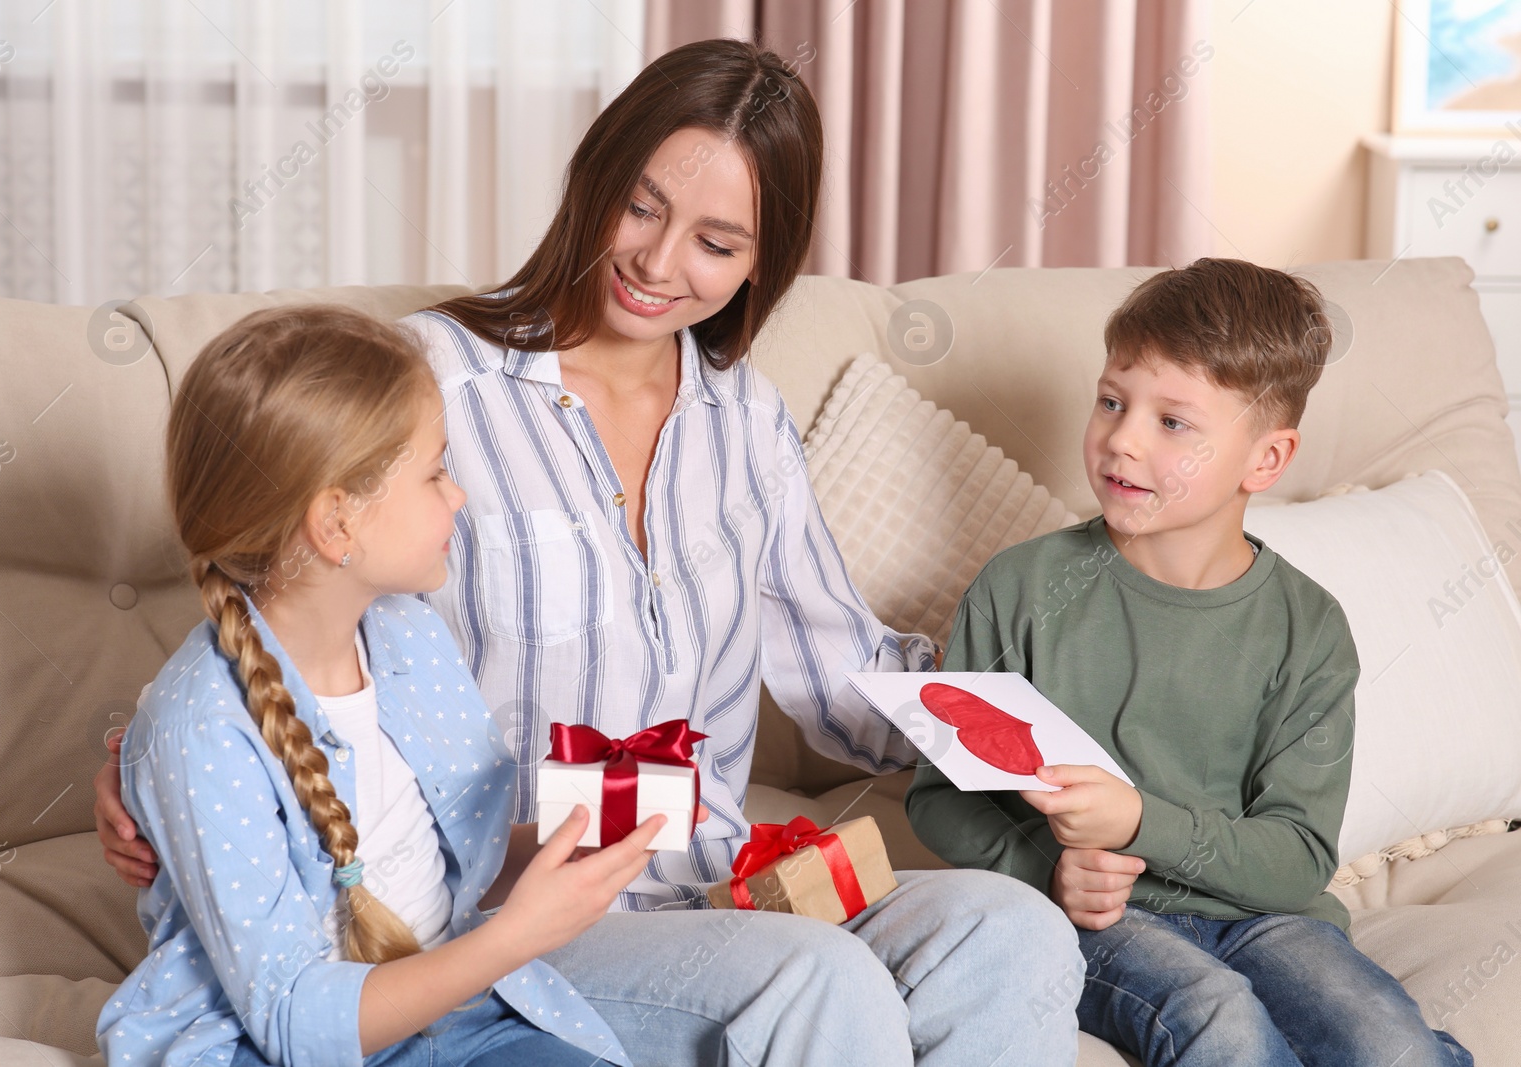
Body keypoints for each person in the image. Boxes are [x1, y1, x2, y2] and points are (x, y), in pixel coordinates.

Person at [97, 38, 1084, 1067]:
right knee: (811, 977)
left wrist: (1052, 739)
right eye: (643, 206)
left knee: (1008, 931)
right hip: (530, 904)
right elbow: (278, 588)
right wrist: (131, 758)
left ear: (762, 261)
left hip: (721, 877)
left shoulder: (747, 421)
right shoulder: (435, 382)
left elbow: (849, 675)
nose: (660, 264)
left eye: (716, 241)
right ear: (594, 179)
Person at [905, 258, 1473, 1066]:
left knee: (1391, 1043)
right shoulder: (1019, 588)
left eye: (1173, 422)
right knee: (1221, 1023)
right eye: (1111, 401)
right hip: (1105, 918)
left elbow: (1296, 858)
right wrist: (1049, 867)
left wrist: (1139, 820)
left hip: (1269, 915)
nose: (1122, 439)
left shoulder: (1307, 626)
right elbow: (938, 795)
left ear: (1265, 461)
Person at [97, 304, 672, 1067]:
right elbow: (295, 1022)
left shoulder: (409, 635)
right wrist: (516, 934)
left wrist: (570, 841)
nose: (458, 496)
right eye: (435, 471)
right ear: (336, 524)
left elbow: (447, 863)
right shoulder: (199, 727)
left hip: (454, 1011)